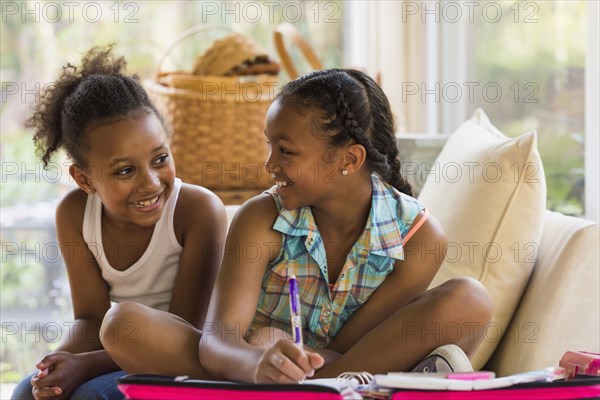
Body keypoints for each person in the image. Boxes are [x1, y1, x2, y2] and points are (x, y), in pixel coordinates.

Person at [102, 68, 493, 384]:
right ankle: (343, 391)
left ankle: (315, 394)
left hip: (335, 368)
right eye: (270, 146)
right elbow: (218, 342)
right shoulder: (261, 219)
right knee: (123, 324)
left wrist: (305, 368)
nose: (270, 164)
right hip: (251, 368)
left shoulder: (417, 237)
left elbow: (352, 347)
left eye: (285, 150)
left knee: (470, 300)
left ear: (349, 159)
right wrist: (258, 364)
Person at [11, 45, 226, 400]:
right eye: (125, 170)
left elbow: (188, 329)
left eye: (160, 158)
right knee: (26, 394)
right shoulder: (74, 214)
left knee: (89, 396)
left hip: (187, 357)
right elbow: (92, 318)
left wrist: (86, 365)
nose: (151, 183)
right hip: (115, 348)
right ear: (85, 180)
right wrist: (55, 365)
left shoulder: (199, 211)